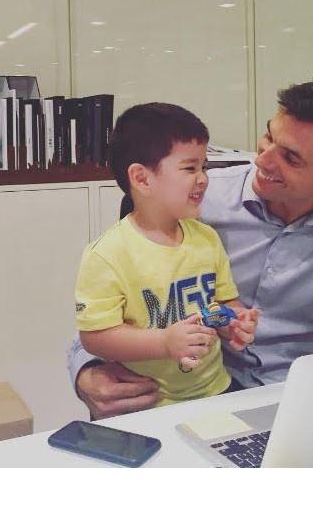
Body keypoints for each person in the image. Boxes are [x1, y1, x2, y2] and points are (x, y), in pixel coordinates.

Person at [68, 72, 313, 419]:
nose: (262, 160)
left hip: (283, 398)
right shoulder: (194, 201)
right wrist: (87, 370)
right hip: (176, 392)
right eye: (269, 137)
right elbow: (116, 309)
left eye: (291, 158)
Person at [73, 102, 258, 407]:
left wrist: (234, 322)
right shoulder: (107, 254)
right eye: (190, 168)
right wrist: (163, 342)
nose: (203, 178)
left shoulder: (206, 239)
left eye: (204, 167)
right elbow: (95, 337)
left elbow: (222, 304)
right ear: (142, 178)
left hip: (215, 390)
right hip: (151, 403)